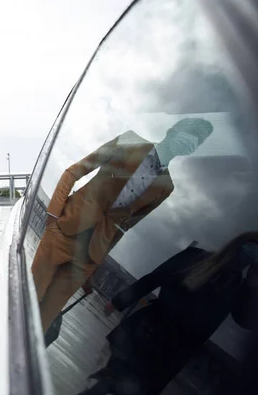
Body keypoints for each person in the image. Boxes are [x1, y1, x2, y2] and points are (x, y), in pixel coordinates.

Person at [34, 118, 214, 344]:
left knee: (44, 320)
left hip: (89, 256)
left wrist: (93, 266)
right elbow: (74, 172)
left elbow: (124, 227)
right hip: (64, 231)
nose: (192, 144)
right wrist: (52, 216)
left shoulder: (166, 187)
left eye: (198, 143)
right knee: (28, 297)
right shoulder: (129, 141)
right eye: (191, 136)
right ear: (173, 130)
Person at [80, 232, 258, 395]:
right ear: (239, 245)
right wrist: (118, 302)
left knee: (118, 385)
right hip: (147, 335)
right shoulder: (195, 257)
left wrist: (252, 285)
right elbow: (156, 277)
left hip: (170, 351)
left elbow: (244, 320)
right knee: (116, 384)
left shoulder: (239, 289)